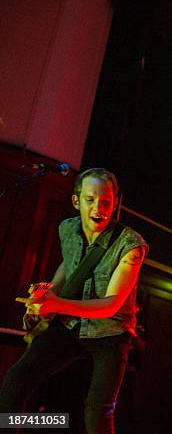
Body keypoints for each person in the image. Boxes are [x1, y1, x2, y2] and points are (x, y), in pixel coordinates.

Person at [0, 168, 148, 434]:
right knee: (17, 379)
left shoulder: (131, 243)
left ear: (115, 202)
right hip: (70, 326)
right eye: (91, 200)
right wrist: (44, 294)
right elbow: (68, 268)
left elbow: (111, 304)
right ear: (76, 202)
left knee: (97, 410)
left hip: (110, 334)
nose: (99, 208)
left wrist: (56, 305)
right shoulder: (67, 229)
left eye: (106, 201)